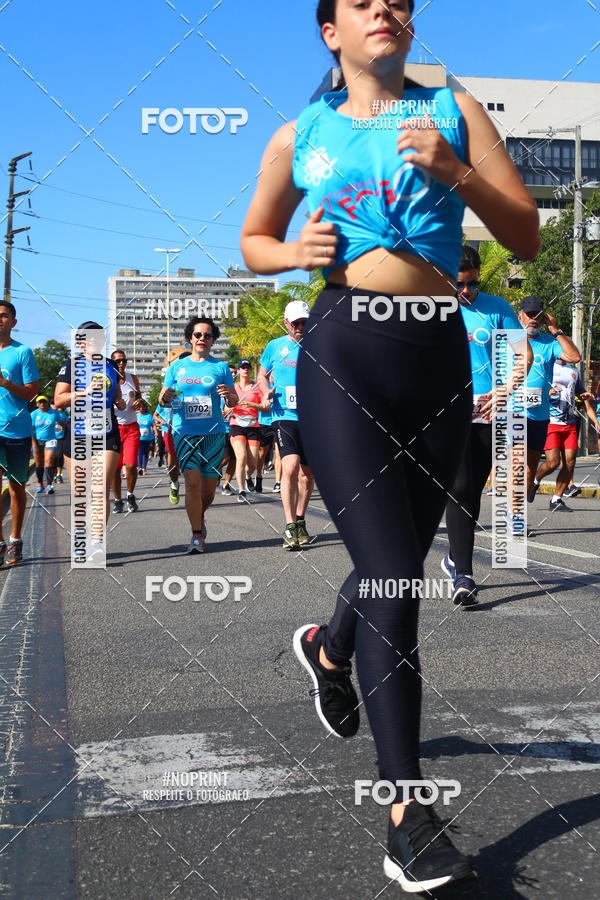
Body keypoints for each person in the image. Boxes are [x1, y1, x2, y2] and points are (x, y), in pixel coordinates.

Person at [241, 0, 540, 891]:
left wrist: (458, 175)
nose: (389, 11)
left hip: (436, 350)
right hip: (342, 348)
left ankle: (330, 650)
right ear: (331, 31)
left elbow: (522, 232)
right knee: (393, 583)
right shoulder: (302, 134)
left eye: (401, 2)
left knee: (395, 560)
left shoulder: (454, 110)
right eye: (366, 2)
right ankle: (407, 814)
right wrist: (294, 252)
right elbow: (254, 240)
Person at [442, 246, 531, 604]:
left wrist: (507, 389)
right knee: (459, 486)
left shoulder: (498, 309)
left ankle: (454, 557)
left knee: (473, 491)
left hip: (486, 411)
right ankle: (464, 575)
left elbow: (523, 356)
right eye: (460, 284)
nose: (466, 291)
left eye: (473, 283)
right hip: (445, 412)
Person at [158, 317, 237, 553]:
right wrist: (167, 396)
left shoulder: (220, 367)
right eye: (198, 335)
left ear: (213, 340)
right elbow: (162, 398)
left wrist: (227, 394)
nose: (202, 338)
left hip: (213, 433)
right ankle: (196, 535)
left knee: (209, 490)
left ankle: (199, 515)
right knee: (192, 483)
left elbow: (233, 400)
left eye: (207, 335)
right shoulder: (176, 367)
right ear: (190, 338)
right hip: (185, 432)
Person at [55, 322, 125, 558]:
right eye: (90, 338)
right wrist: (84, 392)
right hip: (78, 432)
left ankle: (97, 542)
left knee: (99, 488)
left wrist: (120, 401)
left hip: (107, 431)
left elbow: (115, 394)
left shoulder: (111, 366)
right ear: (80, 343)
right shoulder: (71, 365)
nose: (96, 341)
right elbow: (59, 400)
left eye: (100, 337)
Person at [256, 302, 315, 549]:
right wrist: (264, 392)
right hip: (284, 415)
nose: (301, 327)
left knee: (307, 474)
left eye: (305, 322)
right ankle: (290, 526)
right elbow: (261, 374)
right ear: (286, 322)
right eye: (296, 323)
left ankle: (301, 519)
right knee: (289, 466)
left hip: (312, 418)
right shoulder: (275, 346)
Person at [518, 297, 580, 511]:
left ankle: (516, 513)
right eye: (529, 314)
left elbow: (574, 356)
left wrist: (555, 329)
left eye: (538, 315)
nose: (533, 319)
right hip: (513, 412)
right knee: (517, 463)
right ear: (520, 316)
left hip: (540, 416)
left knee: (530, 467)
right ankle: (511, 512)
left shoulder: (549, 342)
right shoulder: (507, 339)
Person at [529, 359, 599, 510]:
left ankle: (556, 499)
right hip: (551, 423)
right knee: (553, 462)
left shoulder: (573, 371)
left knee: (570, 463)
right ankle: (535, 480)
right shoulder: (547, 367)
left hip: (570, 424)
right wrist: (548, 392)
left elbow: (580, 394)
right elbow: (533, 390)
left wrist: (584, 395)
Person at [0, 300, 40, 566]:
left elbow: (32, 392)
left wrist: (5, 383)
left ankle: (15, 540)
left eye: (4, 316)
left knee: (16, 487)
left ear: (13, 322)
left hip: (16, 429)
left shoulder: (22, 352)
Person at [225, 360, 267, 503]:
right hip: (236, 424)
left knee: (253, 463)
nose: (246, 370)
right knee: (241, 457)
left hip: (253, 425)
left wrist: (252, 404)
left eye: (248, 368)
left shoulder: (257, 387)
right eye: (243, 368)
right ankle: (242, 490)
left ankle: (248, 476)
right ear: (238, 371)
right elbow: (225, 409)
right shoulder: (232, 387)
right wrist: (228, 409)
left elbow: (266, 407)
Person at [110, 350, 142, 513]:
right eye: (118, 361)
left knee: (130, 465)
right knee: (115, 468)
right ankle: (117, 500)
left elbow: (140, 398)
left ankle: (130, 495)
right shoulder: (108, 379)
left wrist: (139, 402)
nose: (121, 364)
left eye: (124, 360)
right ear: (112, 362)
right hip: (114, 428)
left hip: (131, 427)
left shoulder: (133, 378)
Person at [30, 395, 63, 494]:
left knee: (49, 461)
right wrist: (33, 443)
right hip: (37, 440)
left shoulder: (54, 413)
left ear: (47, 403)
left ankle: (49, 485)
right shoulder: (33, 414)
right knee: (39, 463)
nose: (42, 404)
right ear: (37, 404)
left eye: (44, 402)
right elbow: (30, 430)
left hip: (51, 440)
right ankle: (40, 483)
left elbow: (63, 423)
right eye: (40, 402)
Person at [51, 401, 68, 483]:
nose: (56, 406)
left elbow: (67, 425)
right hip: (50, 439)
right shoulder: (48, 414)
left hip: (61, 438)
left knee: (59, 456)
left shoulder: (62, 414)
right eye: (53, 404)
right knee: (52, 458)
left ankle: (58, 474)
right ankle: (53, 475)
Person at [136, 400, 155, 475]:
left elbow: (153, 424)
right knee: (139, 452)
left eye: (143, 406)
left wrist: (155, 431)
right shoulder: (136, 416)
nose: (141, 408)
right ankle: (139, 467)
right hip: (139, 437)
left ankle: (144, 468)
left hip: (147, 437)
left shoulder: (149, 416)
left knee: (146, 453)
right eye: (140, 407)